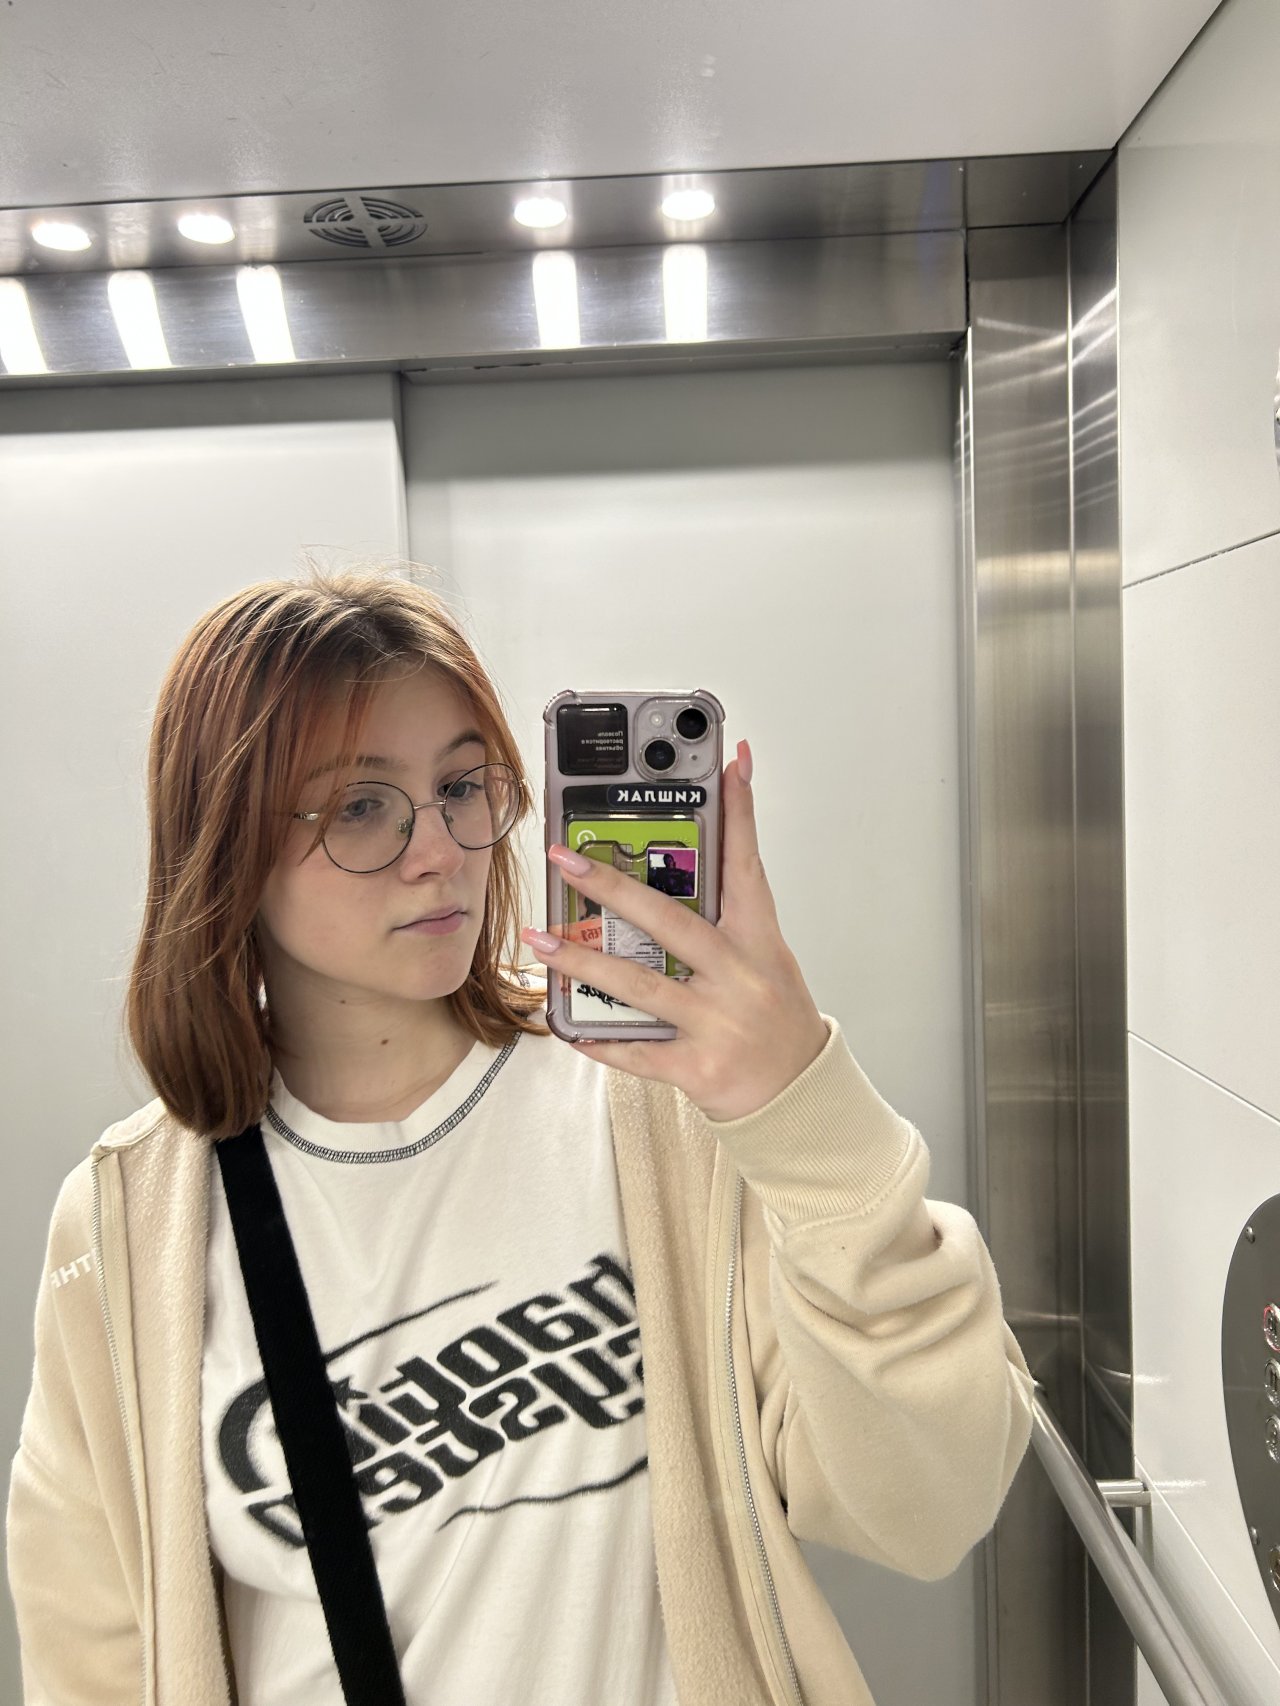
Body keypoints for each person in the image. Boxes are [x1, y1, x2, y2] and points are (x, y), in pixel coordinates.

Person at [6, 568, 1035, 1706]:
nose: (440, 848)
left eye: (460, 785)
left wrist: (801, 1111)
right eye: (360, 806)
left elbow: (927, 1507)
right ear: (225, 847)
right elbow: (92, 1652)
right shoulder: (131, 1221)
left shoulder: (657, 1106)